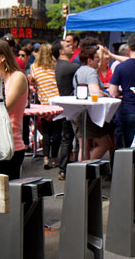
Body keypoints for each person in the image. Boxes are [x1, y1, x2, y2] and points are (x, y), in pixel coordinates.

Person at [0, 38, 29, 180]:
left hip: (9, 144)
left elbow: (4, 107)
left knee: (7, 195)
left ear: (2, 57)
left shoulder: (17, 77)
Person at [72, 46, 114, 160]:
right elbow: (94, 91)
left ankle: (82, 173)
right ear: (89, 60)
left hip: (78, 112)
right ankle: (87, 168)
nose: (99, 60)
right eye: (96, 58)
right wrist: (106, 93)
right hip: (90, 114)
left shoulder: (78, 71)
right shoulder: (91, 72)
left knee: (83, 146)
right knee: (105, 144)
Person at [109, 33, 135, 147]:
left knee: (131, 147)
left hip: (129, 109)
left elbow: (113, 92)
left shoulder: (121, 67)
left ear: (129, 48)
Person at [29, 43, 61, 169]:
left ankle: (46, 158)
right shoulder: (56, 66)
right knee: (57, 132)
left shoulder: (34, 67)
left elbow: (33, 82)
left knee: (46, 131)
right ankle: (54, 158)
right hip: (58, 102)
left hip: (44, 104)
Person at [53, 39, 80, 180]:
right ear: (61, 51)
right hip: (71, 107)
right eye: (68, 46)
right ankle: (75, 167)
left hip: (63, 106)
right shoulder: (71, 66)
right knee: (76, 137)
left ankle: (63, 169)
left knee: (66, 137)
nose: (72, 47)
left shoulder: (59, 66)